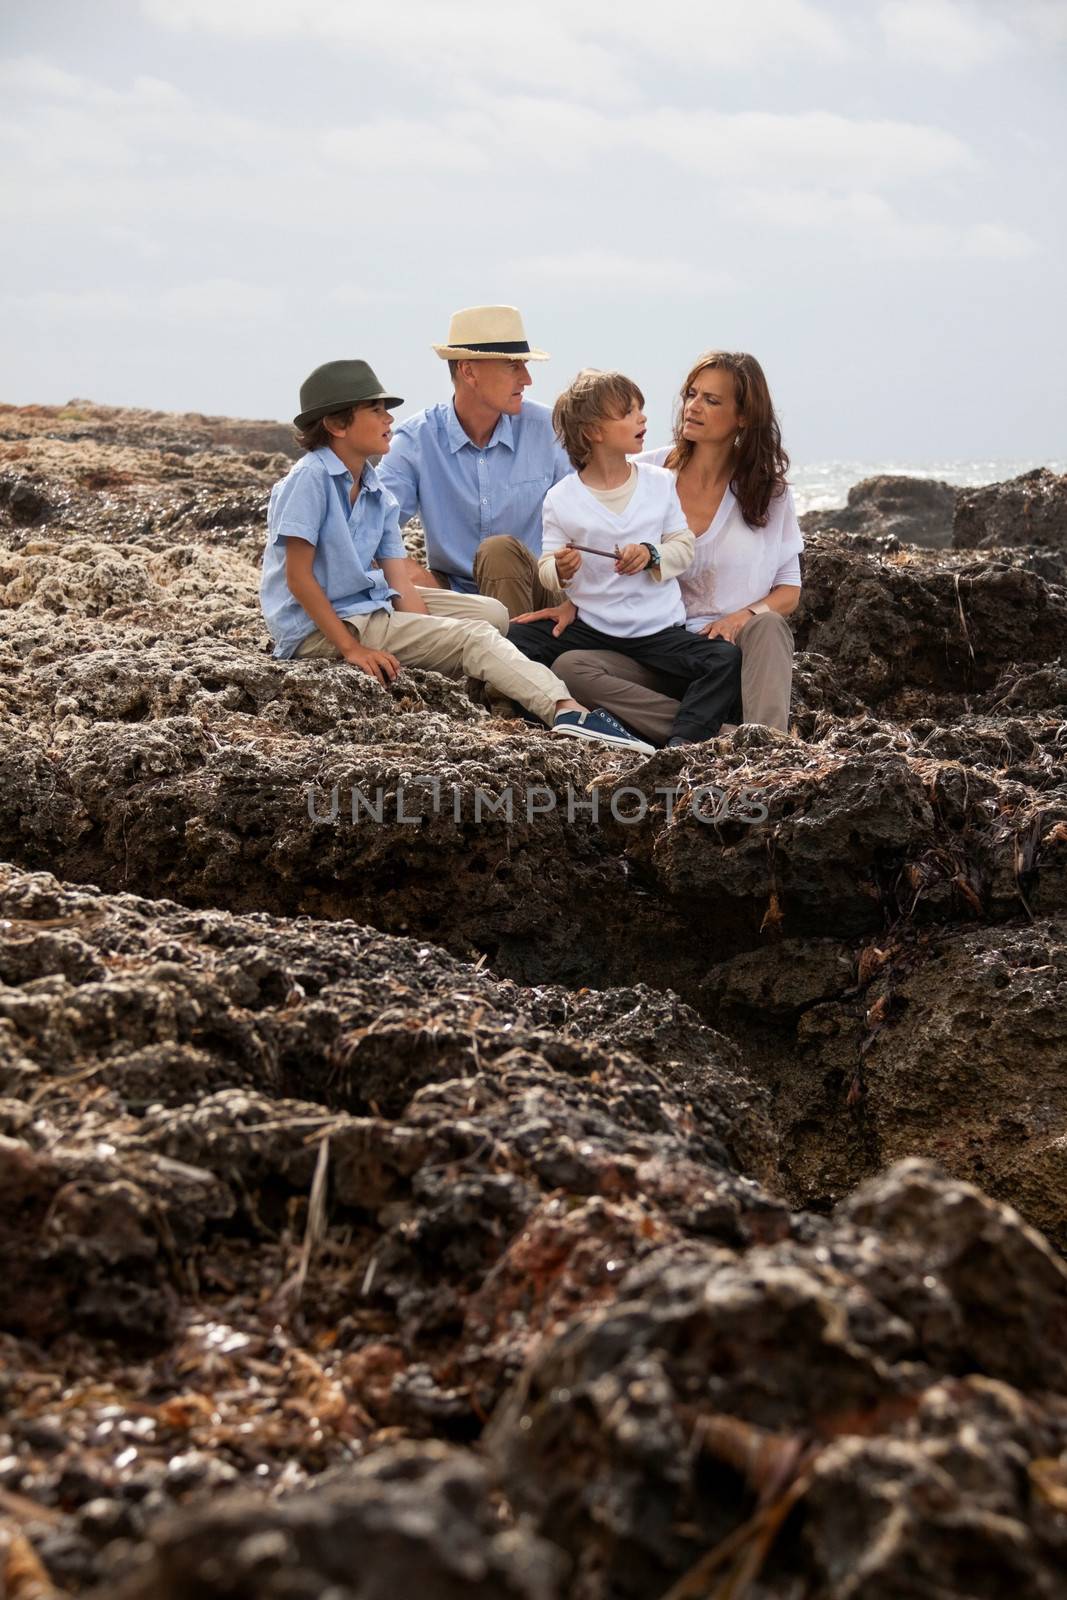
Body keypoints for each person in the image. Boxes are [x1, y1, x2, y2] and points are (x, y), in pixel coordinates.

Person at [259, 359, 654, 754]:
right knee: (475, 638)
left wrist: (427, 638)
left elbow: (397, 576)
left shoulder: (374, 486)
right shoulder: (309, 478)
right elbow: (298, 578)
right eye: (375, 410)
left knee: (492, 615)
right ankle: (566, 711)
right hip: (323, 626)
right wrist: (352, 649)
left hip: (367, 604)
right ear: (336, 425)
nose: (388, 418)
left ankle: (508, 683)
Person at [529, 351, 802, 739]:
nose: (692, 407)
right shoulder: (648, 471)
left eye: (711, 400)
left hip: (732, 656)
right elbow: (604, 545)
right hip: (658, 651)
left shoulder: (768, 491)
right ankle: (715, 735)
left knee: (770, 625)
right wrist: (576, 598)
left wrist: (742, 617)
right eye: (691, 394)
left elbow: (790, 591)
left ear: (744, 416)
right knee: (572, 668)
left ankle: (765, 745)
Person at [507, 369, 742, 747]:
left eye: (640, 409)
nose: (642, 418)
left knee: (723, 660)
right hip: (593, 628)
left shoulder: (659, 483)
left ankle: (682, 741)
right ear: (593, 432)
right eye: (628, 412)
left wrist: (651, 555)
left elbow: (683, 549)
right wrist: (561, 571)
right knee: (517, 639)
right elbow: (547, 565)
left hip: (659, 632)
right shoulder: (561, 498)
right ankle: (544, 723)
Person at [377, 305, 572, 617]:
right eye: (513, 366)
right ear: (468, 371)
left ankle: (511, 656)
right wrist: (415, 575)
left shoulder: (548, 430)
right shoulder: (416, 440)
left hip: (537, 590)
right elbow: (366, 528)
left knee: (499, 552)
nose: (527, 379)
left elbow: (591, 516)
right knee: (401, 574)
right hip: (456, 596)